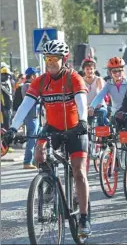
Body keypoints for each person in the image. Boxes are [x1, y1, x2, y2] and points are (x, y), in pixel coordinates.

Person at [3, 40, 91, 236]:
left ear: (64, 60)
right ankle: (49, 183)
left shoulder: (74, 79)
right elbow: (25, 105)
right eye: (47, 59)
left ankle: (84, 218)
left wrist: (83, 122)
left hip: (75, 129)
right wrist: (12, 129)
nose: (50, 63)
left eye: (54, 59)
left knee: (79, 172)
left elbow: (81, 102)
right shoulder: (41, 81)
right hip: (51, 127)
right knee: (39, 154)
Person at [21, 67, 40, 169]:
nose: (37, 76)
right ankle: (27, 161)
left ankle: (33, 161)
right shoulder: (27, 86)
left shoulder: (29, 85)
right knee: (31, 139)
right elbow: (33, 99)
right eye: (36, 75)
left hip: (34, 116)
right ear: (32, 76)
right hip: (31, 117)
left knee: (36, 139)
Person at [82, 57, 107, 126]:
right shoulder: (81, 80)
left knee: (101, 116)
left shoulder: (98, 79)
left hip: (98, 105)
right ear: (83, 70)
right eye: (87, 69)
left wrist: (96, 105)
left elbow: (102, 94)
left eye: (91, 69)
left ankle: (103, 135)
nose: (89, 71)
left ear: (94, 70)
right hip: (86, 106)